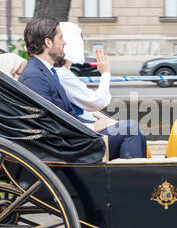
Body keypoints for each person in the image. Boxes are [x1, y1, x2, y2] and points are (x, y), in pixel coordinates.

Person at [18, 18, 147, 159]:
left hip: (72, 137)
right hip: (68, 146)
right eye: (60, 38)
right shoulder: (34, 76)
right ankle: (133, 179)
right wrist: (92, 127)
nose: (65, 42)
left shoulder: (44, 70)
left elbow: (62, 115)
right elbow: (47, 124)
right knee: (131, 129)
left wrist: (95, 123)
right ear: (48, 42)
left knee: (128, 127)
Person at [54, 22, 111, 122]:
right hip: (82, 128)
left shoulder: (59, 72)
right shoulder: (63, 75)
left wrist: (105, 119)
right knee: (132, 129)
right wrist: (105, 73)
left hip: (80, 123)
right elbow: (97, 102)